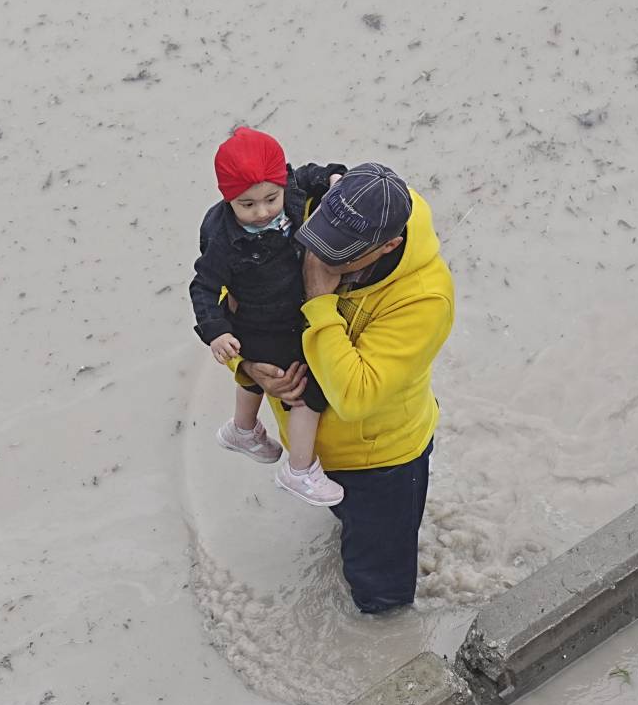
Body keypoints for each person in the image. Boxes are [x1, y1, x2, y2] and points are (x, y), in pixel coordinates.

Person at [229, 163, 455, 613]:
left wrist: (318, 301)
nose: (316, 258)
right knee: (345, 523)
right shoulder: (317, 210)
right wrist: (248, 364)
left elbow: (354, 395)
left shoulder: (426, 298)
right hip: (311, 452)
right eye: (316, 241)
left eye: (338, 256)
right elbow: (235, 291)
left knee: (382, 595)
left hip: (382, 464)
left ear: (389, 245)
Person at [189, 127, 347, 507]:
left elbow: (310, 174)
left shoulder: (291, 188)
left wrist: (334, 178)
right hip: (259, 321)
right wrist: (216, 332)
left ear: (281, 183)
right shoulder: (223, 239)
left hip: (290, 308)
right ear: (228, 198)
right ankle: (299, 470)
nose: (262, 212)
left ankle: (243, 430)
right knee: (308, 388)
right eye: (247, 205)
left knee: (256, 381)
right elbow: (203, 287)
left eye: (270, 199)